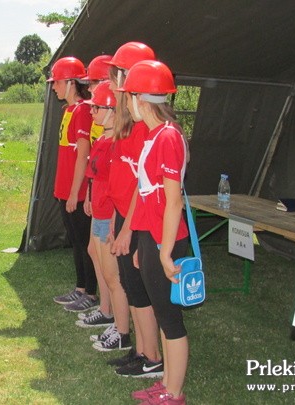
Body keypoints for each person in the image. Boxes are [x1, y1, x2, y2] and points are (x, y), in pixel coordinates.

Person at [123, 60, 190, 405]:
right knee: (164, 316)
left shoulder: (168, 137)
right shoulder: (153, 135)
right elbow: (150, 195)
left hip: (168, 240)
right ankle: (165, 382)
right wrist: (143, 244)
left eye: (128, 96)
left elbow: (174, 200)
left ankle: (174, 393)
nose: (126, 104)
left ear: (141, 99)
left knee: (169, 317)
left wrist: (163, 252)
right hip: (153, 236)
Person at [102, 41, 164, 377]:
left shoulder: (146, 129)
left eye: (115, 76)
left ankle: (151, 356)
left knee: (141, 289)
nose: (111, 84)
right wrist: (116, 219)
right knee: (131, 283)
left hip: (140, 221)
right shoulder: (128, 125)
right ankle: (142, 351)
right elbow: (122, 181)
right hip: (126, 217)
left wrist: (128, 229)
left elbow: (144, 186)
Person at [77, 82, 132, 355]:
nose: (93, 112)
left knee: (114, 278)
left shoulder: (117, 144)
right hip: (98, 212)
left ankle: (122, 332)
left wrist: (112, 219)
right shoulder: (103, 139)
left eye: (97, 108)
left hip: (107, 216)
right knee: (107, 273)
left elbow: (119, 186)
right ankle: (111, 319)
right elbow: (96, 176)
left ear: (112, 111)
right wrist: (89, 196)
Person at [48, 56, 99, 313]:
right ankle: (80, 288)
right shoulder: (68, 110)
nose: (53, 86)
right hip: (64, 190)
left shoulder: (82, 110)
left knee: (84, 244)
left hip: (75, 193)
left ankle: (90, 292)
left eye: (56, 81)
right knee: (76, 242)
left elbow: (83, 153)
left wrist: (73, 193)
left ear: (70, 82)